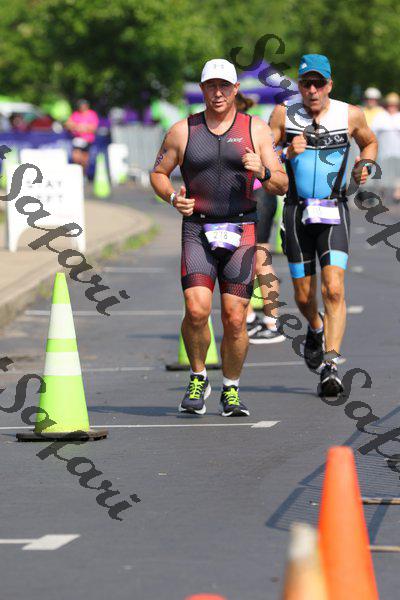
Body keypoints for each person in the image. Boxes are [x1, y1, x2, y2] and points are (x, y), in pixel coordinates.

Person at [150, 59, 288, 417]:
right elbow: (159, 173)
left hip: (241, 230)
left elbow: (282, 183)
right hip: (197, 229)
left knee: (235, 317)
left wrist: (264, 170)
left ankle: (230, 388)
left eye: (224, 86)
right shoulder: (183, 130)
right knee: (196, 310)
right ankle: (198, 377)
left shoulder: (255, 129)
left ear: (235, 89)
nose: (218, 92)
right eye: (211, 86)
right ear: (202, 89)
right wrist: (172, 198)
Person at [269, 54, 378, 396]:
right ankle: (315, 327)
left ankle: (330, 365)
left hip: (334, 210)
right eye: (306, 83)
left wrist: (365, 164)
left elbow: (369, 142)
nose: (313, 90)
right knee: (304, 296)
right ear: (299, 85)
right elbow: (263, 154)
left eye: (319, 83)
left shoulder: (350, 114)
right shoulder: (283, 114)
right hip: (296, 211)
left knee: (333, 289)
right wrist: (286, 152)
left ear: (330, 85)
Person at [235, 92, 285, 344]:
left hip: (259, 195)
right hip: (236, 199)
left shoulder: (253, 128)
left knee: (259, 259)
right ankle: (250, 319)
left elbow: (275, 161)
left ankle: (272, 321)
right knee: (239, 261)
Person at [371, 92, 400, 202]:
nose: (392, 106)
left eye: (394, 104)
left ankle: (397, 193)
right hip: (383, 152)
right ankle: (381, 191)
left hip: (397, 151)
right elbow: (373, 132)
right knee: (382, 172)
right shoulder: (380, 116)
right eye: (390, 104)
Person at [65, 99, 99, 174]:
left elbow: (94, 127)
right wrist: (77, 126)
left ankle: (83, 174)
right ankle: (78, 173)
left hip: (87, 140)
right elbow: (68, 124)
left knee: (84, 159)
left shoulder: (92, 114)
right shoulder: (76, 114)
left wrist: (83, 128)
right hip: (77, 139)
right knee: (76, 157)